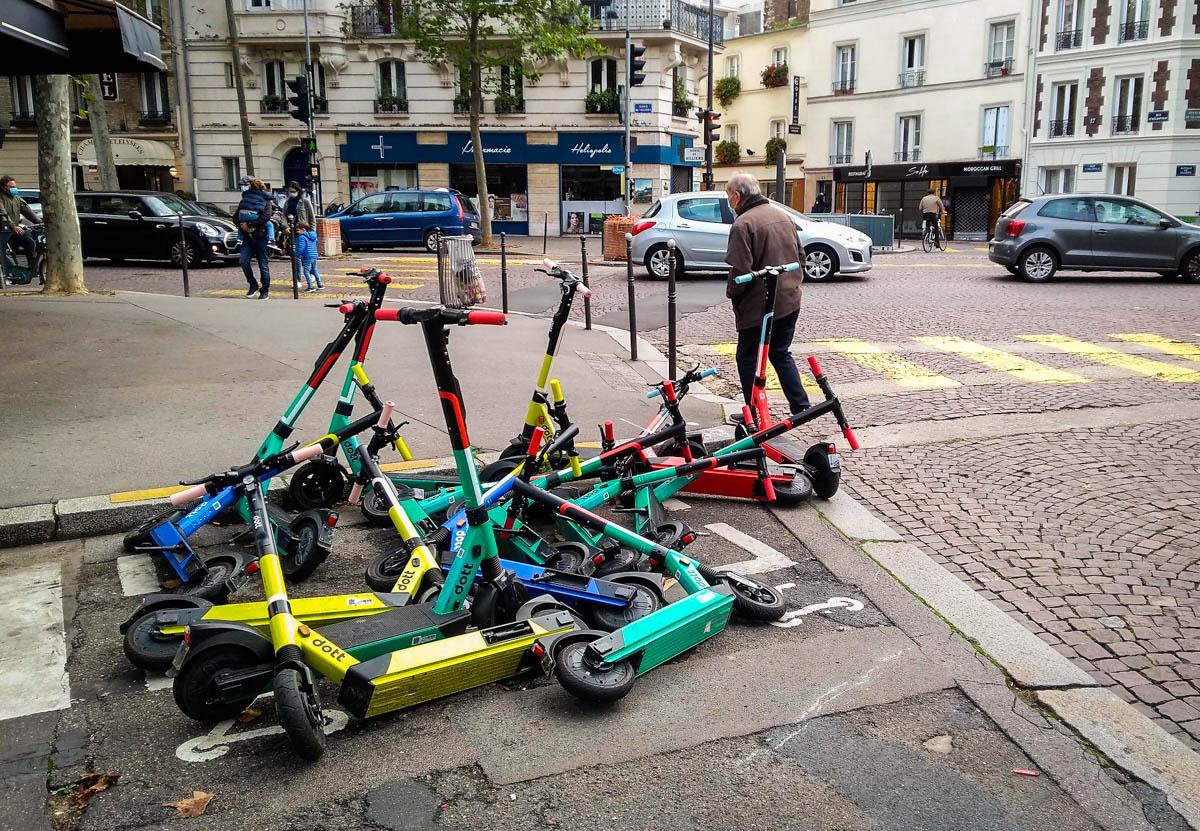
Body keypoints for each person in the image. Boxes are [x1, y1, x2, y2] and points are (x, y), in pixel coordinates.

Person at [724, 172, 810, 417]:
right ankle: (801, 406)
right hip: (790, 299)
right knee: (780, 352)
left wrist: (733, 295)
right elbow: (800, 257)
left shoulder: (743, 224)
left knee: (747, 358)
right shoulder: (782, 216)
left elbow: (740, 270)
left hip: (759, 307)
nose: (729, 201)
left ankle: (753, 411)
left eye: (729, 196)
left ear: (738, 196)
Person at [235, 176, 272, 299]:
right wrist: (243, 225)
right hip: (247, 237)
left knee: (263, 264)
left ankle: (265, 289)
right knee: (243, 261)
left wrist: (251, 224)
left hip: (261, 236)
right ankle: (253, 285)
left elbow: (266, 216)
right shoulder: (246, 199)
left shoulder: (266, 200)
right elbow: (236, 216)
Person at [0, 175, 40, 285]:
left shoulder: (17, 198)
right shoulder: (1, 198)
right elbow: (3, 214)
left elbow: (27, 211)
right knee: (3, 251)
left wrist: (40, 223)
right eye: (11, 187)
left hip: (15, 229)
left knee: (30, 242)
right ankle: (6, 273)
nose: (14, 189)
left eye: (15, 186)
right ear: (4, 187)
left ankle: (33, 270)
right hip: (4, 230)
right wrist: (13, 226)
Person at [294, 221, 323, 292]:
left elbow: (301, 248)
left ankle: (310, 286)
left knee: (306, 271)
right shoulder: (313, 236)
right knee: (315, 270)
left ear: (303, 229)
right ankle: (320, 284)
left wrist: (296, 254)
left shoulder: (302, 238)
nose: (297, 232)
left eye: (298, 230)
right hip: (314, 255)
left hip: (307, 256)